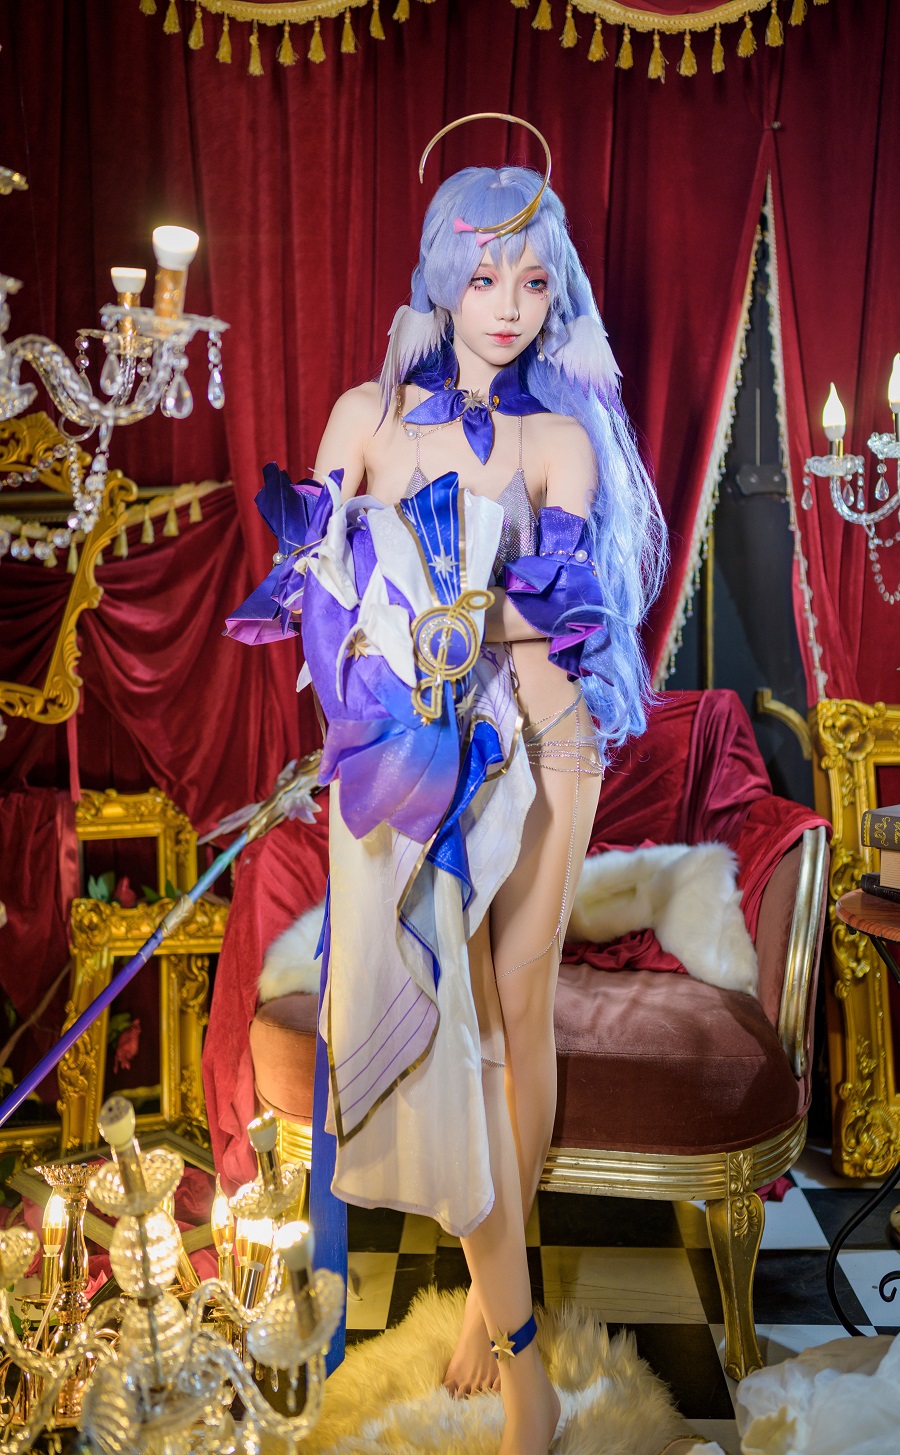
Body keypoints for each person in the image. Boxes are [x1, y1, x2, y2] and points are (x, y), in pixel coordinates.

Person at [228, 120, 665, 1455]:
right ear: (440, 281)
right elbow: (314, 586)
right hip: (413, 754)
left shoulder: (560, 440)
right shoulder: (364, 420)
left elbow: (563, 622)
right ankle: (515, 1315)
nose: (508, 308)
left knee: (516, 1011)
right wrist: (367, 680)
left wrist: (471, 631)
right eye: (484, 279)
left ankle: (495, 1301)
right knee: (456, 1019)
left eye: (532, 282)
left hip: (544, 744)